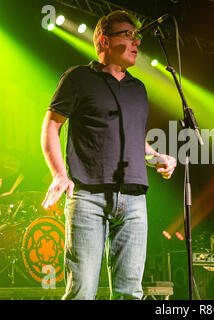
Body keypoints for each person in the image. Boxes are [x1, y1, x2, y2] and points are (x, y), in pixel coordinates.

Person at [41, 10, 176, 300]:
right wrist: (59, 174)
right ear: (104, 40)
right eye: (127, 34)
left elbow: (136, 141)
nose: (136, 41)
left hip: (135, 197)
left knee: (131, 292)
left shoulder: (138, 88)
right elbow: (52, 125)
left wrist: (157, 158)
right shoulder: (78, 78)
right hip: (88, 195)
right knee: (82, 291)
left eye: (136, 35)